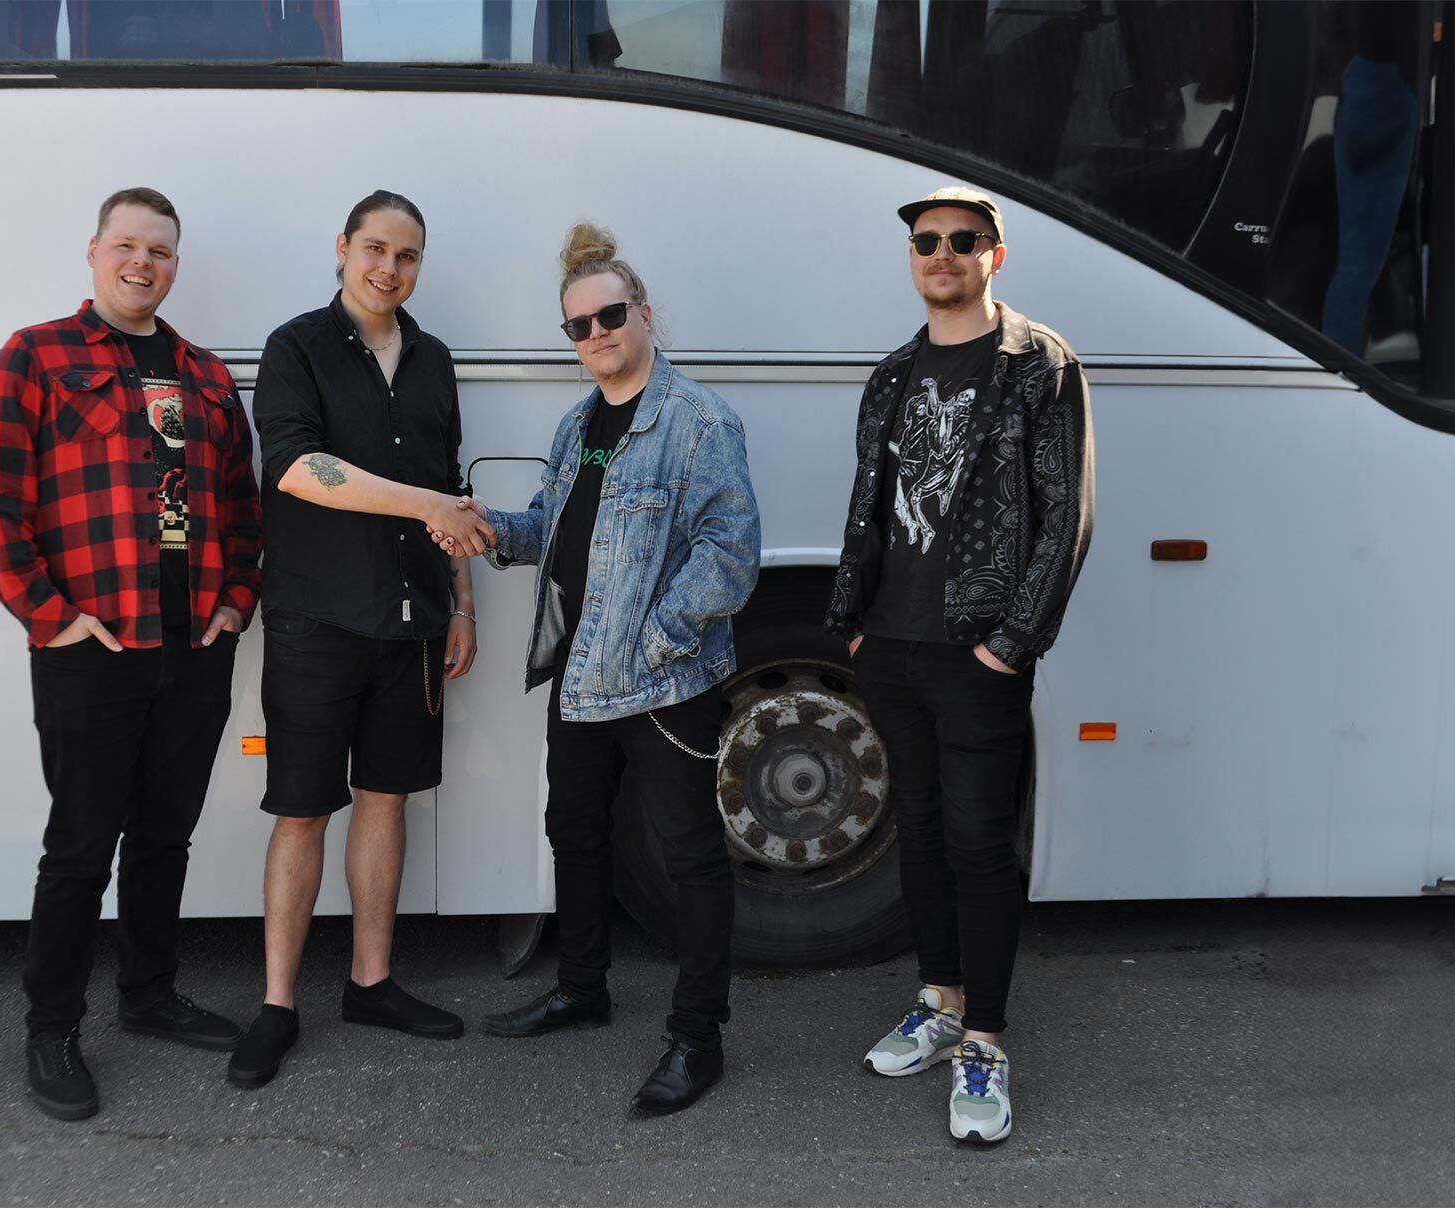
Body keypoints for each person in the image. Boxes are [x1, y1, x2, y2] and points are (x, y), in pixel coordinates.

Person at [0, 187, 262, 1121]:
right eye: (127, 245)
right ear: (94, 252)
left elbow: (244, 507)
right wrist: (49, 617)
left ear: (176, 265)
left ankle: (150, 995)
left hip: (192, 648)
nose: (143, 263)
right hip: (91, 648)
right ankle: (52, 1029)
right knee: (81, 847)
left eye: (160, 251)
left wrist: (235, 603)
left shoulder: (206, 375)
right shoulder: (37, 355)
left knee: (165, 836)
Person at [452, 223, 760, 1115]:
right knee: (575, 831)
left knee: (689, 857)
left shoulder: (699, 421)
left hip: (665, 682)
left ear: (645, 313)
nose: (596, 335)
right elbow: (551, 527)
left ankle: (697, 1039)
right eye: (578, 325)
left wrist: (657, 638)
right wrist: (488, 529)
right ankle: (582, 989)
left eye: (610, 316)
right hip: (582, 673)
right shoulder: (578, 424)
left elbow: (730, 554)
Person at [825, 186, 1094, 1144]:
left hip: (978, 652)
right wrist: (854, 625)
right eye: (926, 240)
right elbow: (868, 500)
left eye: (963, 240)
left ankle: (985, 1042)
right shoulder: (893, 374)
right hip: (891, 647)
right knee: (922, 832)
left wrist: (1009, 645)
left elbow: (1065, 516)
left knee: (980, 844)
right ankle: (940, 1001)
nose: (942, 253)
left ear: (994, 256)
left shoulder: (1038, 365)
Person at [230, 190, 492, 1089]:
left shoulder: (434, 359)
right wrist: (425, 505)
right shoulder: (295, 346)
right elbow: (296, 468)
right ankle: (277, 1005)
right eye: (375, 248)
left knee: (387, 799)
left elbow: (449, 483)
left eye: (407, 255)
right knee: (302, 808)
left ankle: (371, 984)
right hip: (316, 618)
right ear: (343, 247)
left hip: (414, 621)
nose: (389, 267)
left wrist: (463, 605)